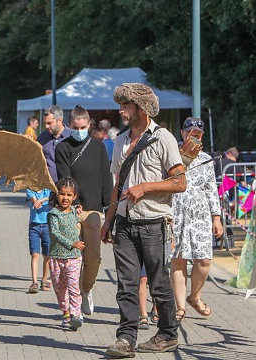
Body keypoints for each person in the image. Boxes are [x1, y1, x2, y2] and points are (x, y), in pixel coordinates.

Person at [101, 83, 186, 357]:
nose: (121, 109)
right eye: (121, 104)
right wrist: (107, 220)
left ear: (140, 107)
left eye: (125, 105)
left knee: (158, 283)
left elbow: (180, 182)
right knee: (126, 284)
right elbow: (117, 185)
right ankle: (126, 339)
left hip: (155, 223)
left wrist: (146, 187)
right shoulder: (120, 140)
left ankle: (167, 334)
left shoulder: (164, 138)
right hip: (124, 223)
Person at [55, 105, 113, 316]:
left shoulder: (99, 147)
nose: (79, 130)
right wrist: (74, 200)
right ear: (69, 125)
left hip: (94, 211)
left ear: (89, 125)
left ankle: (85, 289)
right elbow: (64, 177)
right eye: (75, 127)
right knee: (72, 259)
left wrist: (109, 210)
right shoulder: (62, 148)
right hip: (71, 209)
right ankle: (73, 302)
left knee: (93, 258)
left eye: (83, 127)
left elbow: (106, 179)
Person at [170, 118, 224, 321]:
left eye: (198, 134)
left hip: (200, 217)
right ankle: (180, 306)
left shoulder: (206, 159)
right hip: (176, 214)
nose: (194, 136)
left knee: (204, 261)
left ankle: (195, 296)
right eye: (190, 133)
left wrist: (216, 218)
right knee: (178, 261)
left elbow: (211, 189)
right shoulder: (171, 155)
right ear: (183, 134)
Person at [48, 177, 85, 330]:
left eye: (69, 195)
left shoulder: (74, 213)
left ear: (74, 196)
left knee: (73, 286)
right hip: (57, 257)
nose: (65, 198)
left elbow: (76, 214)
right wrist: (72, 244)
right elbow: (55, 233)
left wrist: (78, 210)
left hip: (74, 258)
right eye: (62, 194)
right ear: (57, 194)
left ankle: (76, 315)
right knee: (60, 288)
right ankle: (66, 313)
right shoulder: (53, 214)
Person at [37, 105, 71, 183]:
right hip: (46, 189)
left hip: (67, 189)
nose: (46, 126)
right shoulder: (42, 137)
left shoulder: (71, 136)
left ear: (59, 120)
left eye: (49, 123)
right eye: (45, 123)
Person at [26, 189, 52, 293]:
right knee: (35, 254)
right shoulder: (30, 190)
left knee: (47, 255)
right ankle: (34, 282)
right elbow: (32, 199)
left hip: (47, 225)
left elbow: (53, 197)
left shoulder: (48, 190)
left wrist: (42, 199)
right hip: (34, 225)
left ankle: (44, 279)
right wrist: (36, 201)